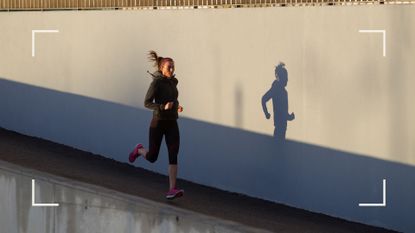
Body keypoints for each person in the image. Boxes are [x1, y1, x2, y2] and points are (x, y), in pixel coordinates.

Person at [129, 50, 184, 200]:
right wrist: (162, 107)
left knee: (173, 154)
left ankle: (172, 189)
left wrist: (177, 106)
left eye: (173, 67)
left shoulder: (174, 82)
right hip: (158, 122)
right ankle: (139, 150)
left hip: (172, 122)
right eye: (169, 67)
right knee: (153, 157)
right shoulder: (157, 82)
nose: (172, 70)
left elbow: (173, 98)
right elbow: (147, 103)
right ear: (162, 68)